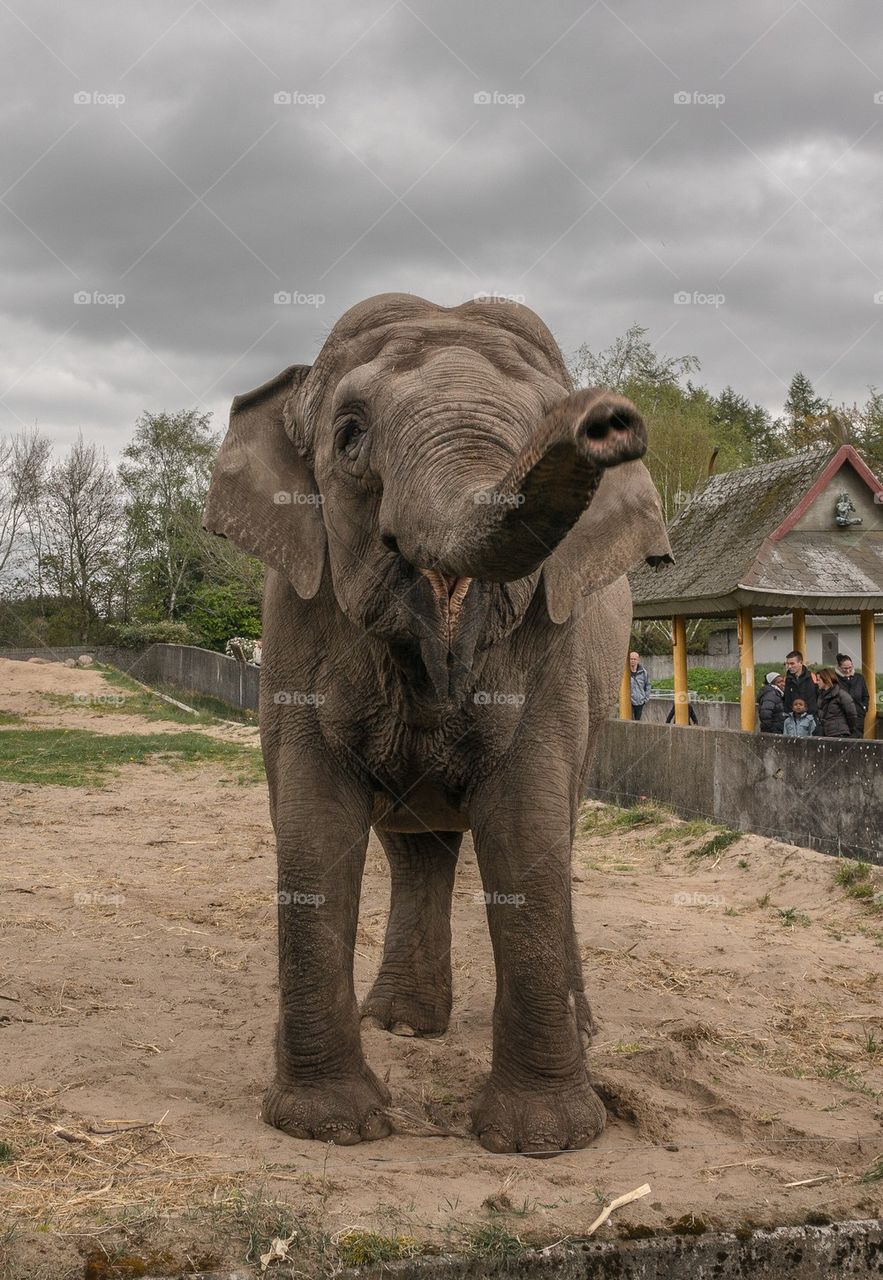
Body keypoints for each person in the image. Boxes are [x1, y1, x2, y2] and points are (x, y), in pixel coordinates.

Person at [815, 667, 858, 738]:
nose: (817, 682)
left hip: (839, 733)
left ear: (826, 680)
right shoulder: (821, 695)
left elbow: (852, 715)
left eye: (818, 680)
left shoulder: (842, 695)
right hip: (825, 733)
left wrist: (847, 729)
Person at [835, 653, 868, 737]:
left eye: (850, 667)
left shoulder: (859, 678)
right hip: (842, 718)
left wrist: (864, 708)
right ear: (839, 667)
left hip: (858, 716)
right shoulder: (834, 679)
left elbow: (865, 696)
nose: (848, 670)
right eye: (845, 668)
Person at [783, 650, 818, 716]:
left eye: (792, 663)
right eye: (787, 664)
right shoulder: (786, 679)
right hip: (792, 719)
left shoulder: (812, 677)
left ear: (800, 663)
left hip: (810, 718)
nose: (789, 666)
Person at [629, 651, 651, 720]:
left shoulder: (643, 672)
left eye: (634, 659)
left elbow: (648, 685)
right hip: (629, 702)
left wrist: (646, 699)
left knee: (637, 721)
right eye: (631, 659)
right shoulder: (626, 672)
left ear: (638, 660)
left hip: (640, 702)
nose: (632, 661)